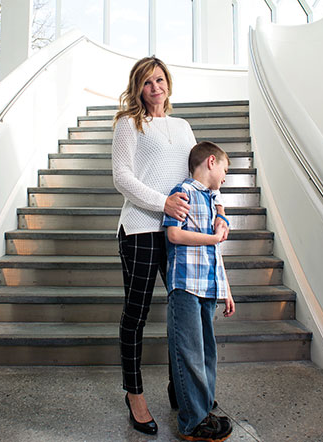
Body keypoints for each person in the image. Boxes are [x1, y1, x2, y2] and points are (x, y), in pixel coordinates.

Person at [112, 57, 229, 435]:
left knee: (186, 316)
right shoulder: (128, 124)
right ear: (138, 88)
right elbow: (122, 178)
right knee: (138, 312)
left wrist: (218, 207)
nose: (155, 87)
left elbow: (201, 175)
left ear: (168, 84)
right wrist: (162, 202)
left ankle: (184, 390)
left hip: (178, 230)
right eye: (147, 82)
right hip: (142, 229)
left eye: (159, 80)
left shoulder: (182, 126)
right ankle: (135, 395)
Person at [163, 141, 236, 441]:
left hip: (207, 285)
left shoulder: (210, 199)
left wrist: (226, 289)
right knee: (189, 353)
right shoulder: (183, 193)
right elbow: (174, 234)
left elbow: (216, 253)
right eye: (224, 169)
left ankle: (203, 408)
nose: (225, 177)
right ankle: (192, 422)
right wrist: (211, 239)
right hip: (185, 285)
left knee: (207, 353)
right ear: (210, 162)